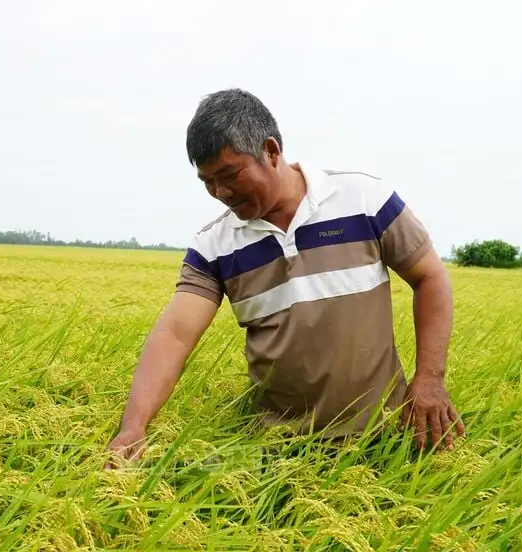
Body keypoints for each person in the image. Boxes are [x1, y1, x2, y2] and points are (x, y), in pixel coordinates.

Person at [104, 88, 464, 469]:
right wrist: (133, 426)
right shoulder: (215, 245)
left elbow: (430, 278)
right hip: (276, 452)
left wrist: (430, 379)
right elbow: (175, 334)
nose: (221, 192)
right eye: (208, 182)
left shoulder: (364, 199)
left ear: (271, 151)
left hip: (383, 437)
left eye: (230, 174)